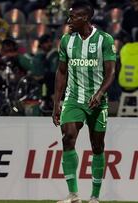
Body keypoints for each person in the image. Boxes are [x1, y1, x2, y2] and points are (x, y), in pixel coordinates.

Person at [52, 1, 116, 203]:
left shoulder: (104, 40)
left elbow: (111, 72)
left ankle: (95, 196)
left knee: (97, 146)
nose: (68, 20)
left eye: (72, 17)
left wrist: (99, 93)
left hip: (97, 102)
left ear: (85, 18)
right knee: (68, 138)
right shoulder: (66, 41)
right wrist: (56, 103)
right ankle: (73, 195)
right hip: (74, 99)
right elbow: (61, 72)